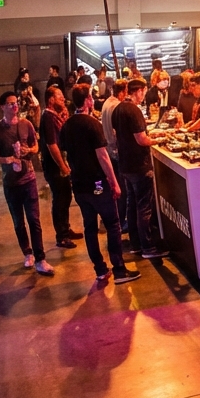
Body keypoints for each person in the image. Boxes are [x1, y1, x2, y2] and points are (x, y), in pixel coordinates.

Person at [61, 88, 134, 284]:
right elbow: (103, 156)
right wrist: (114, 181)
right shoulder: (92, 124)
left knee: (90, 227)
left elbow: (65, 153)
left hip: (79, 185)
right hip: (97, 184)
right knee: (113, 224)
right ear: (87, 101)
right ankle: (119, 269)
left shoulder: (67, 125)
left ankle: (100, 269)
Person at [0, 92, 53, 276]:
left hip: (29, 179)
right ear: (2, 107)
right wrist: (7, 159)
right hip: (10, 183)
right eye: (10, 104)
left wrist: (29, 150)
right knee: (18, 222)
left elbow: (36, 146)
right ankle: (27, 252)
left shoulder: (26, 125)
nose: (14, 106)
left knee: (34, 219)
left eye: (15, 103)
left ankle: (41, 259)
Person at [112, 78, 167, 261]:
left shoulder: (118, 108)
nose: (144, 95)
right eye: (143, 91)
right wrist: (159, 140)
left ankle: (135, 244)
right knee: (144, 207)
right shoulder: (133, 110)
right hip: (139, 165)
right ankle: (148, 247)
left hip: (125, 165)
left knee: (132, 205)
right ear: (139, 91)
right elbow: (141, 140)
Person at [38, 86, 77, 249]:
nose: (63, 98)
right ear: (51, 99)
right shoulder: (48, 117)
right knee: (60, 199)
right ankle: (61, 236)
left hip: (62, 165)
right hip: (55, 167)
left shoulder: (56, 116)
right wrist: (62, 165)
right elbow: (52, 144)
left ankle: (66, 229)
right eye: (59, 96)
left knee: (66, 196)